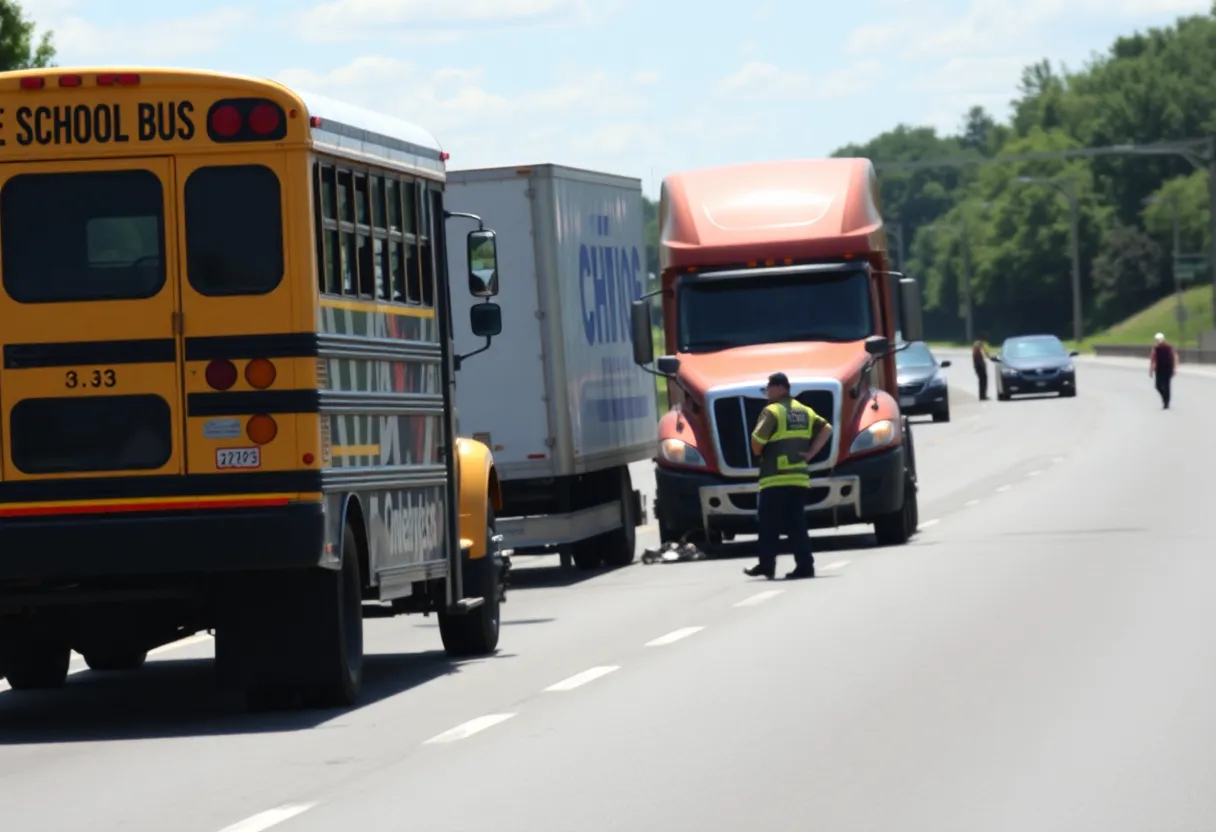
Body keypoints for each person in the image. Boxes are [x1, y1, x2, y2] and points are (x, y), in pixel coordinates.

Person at [744, 372, 833, 581]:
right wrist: (810, 453)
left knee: (768, 525)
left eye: (769, 387)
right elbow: (826, 429)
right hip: (799, 477)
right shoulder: (804, 411)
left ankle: (766, 566)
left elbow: (757, 440)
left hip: (775, 477)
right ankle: (805, 566)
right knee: (796, 525)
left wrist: (758, 453)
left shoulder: (772, 411)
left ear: (780, 388)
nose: (767, 391)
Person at [1149, 332, 1178, 409]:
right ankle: (1164, 397)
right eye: (1156, 340)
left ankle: (1166, 402)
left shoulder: (1168, 348)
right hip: (1158, 369)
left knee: (1167, 386)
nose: (1157, 341)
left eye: (1159, 340)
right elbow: (1152, 359)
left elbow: (1174, 357)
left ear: (1162, 340)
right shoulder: (1155, 349)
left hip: (1168, 368)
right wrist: (1151, 370)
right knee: (1157, 385)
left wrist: (1174, 368)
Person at [972, 335, 991, 400]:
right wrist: (982, 364)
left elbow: (985, 353)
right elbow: (978, 356)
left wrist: (989, 356)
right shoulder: (978, 344)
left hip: (979, 365)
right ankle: (982, 396)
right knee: (983, 380)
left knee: (983, 380)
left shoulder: (979, 344)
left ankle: (983, 395)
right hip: (979, 365)